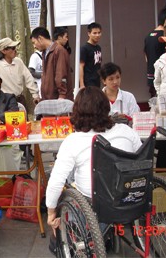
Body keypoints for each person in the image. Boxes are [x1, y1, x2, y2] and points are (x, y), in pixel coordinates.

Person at [45, 86, 142, 233]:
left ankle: (83, 237)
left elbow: (56, 182)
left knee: (66, 177)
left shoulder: (74, 141)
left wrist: (51, 212)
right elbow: (141, 161)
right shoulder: (126, 131)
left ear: (77, 111)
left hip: (96, 202)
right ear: (106, 107)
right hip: (130, 194)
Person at [0, 37, 40, 107]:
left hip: (19, 100)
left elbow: (29, 79)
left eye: (15, 47)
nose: (15, 50)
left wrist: (35, 95)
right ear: (4, 51)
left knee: (23, 118)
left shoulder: (18, 62)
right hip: (4, 102)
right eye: (12, 48)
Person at [30, 27, 73, 100]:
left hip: (58, 100)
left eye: (34, 42)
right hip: (49, 99)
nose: (34, 46)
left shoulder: (59, 50)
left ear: (40, 38)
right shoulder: (44, 52)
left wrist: (62, 96)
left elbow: (61, 75)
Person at [144, 8, 166, 97]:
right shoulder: (165, 37)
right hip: (163, 77)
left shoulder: (148, 36)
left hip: (151, 74)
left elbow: (146, 56)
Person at [80, 22, 102, 88]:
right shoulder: (84, 48)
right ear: (89, 34)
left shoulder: (98, 47)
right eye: (94, 33)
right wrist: (81, 84)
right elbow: (80, 66)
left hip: (97, 81)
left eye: (99, 32)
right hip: (88, 82)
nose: (97, 35)